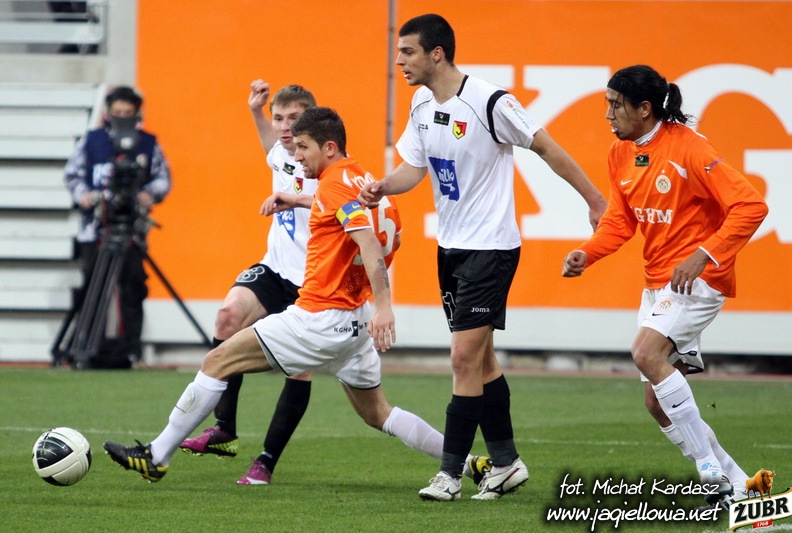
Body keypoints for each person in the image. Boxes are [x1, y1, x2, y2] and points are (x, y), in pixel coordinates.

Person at [102, 106, 489, 488]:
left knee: (217, 360)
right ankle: (467, 462)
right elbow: (391, 237)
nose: (297, 155)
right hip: (355, 319)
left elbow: (368, 242)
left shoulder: (334, 185)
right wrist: (303, 204)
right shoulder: (366, 181)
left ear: (329, 148)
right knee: (378, 413)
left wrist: (386, 307)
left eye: (303, 146)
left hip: (321, 317)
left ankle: (156, 456)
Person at [359, 14, 607, 501]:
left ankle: (449, 475)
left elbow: (547, 148)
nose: (398, 61)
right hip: (451, 248)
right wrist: (384, 186)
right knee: (483, 360)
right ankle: (507, 464)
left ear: (436, 54)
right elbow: (414, 168)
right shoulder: (421, 103)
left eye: (407, 51)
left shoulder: (491, 102)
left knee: (462, 358)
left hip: (491, 248)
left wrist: (595, 201)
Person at [562, 64, 768, 508]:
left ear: (644, 108)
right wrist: (588, 252)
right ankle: (741, 484)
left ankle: (711, 474)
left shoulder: (689, 148)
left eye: (615, 105)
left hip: (698, 278)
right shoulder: (620, 153)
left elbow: (751, 206)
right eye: (607, 104)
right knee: (656, 404)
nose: (608, 114)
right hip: (659, 282)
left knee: (645, 353)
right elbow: (620, 221)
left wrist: (703, 254)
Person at [178, 81, 318, 485]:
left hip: (314, 281)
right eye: (279, 118)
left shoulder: (327, 163)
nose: (285, 126)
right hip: (275, 268)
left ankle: (266, 462)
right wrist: (256, 111)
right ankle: (224, 430)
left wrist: (296, 199)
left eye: (294, 118)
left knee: (300, 370)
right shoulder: (283, 153)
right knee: (228, 316)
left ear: (311, 120)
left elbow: (341, 202)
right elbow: (271, 149)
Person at [64, 85, 171, 366]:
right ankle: (89, 348)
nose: (122, 117)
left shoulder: (148, 143)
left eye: (128, 112)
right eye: (117, 112)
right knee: (93, 288)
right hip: (95, 229)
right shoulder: (91, 141)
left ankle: (130, 350)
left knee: (132, 287)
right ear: (108, 113)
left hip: (131, 230)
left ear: (137, 113)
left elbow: (163, 179)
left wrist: (148, 195)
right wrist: (85, 196)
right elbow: (73, 174)